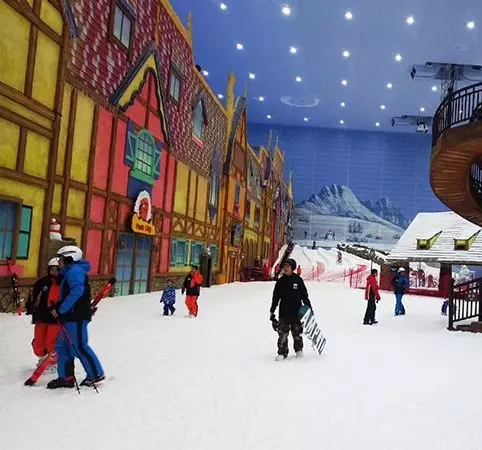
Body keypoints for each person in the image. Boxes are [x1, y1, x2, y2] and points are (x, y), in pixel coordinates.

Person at [46, 245, 104, 389]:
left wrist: (61, 309)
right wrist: (58, 306)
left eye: (61, 258)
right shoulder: (70, 272)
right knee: (62, 347)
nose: (59, 262)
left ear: (69, 258)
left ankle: (95, 374)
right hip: (69, 317)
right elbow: (69, 293)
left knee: (79, 346)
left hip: (75, 317)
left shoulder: (75, 271)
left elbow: (77, 291)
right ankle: (66, 378)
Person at [270, 258, 312, 361]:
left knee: (297, 333)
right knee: (282, 334)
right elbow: (276, 297)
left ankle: (299, 350)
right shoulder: (280, 281)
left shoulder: (298, 280)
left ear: (292, 268)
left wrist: (309, 308)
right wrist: (272, 310)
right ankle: (282, 352)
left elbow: (304, 296)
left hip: (296, 312)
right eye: (284, 266)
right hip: (284, 312)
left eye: (288, 266)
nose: (285, 268)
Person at [25, 258, 62, 370]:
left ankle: (53, 363)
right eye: (52, 269)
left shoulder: (63, 283)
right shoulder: (41, 282)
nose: (54, 272)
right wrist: (31, 306)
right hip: (41, 316)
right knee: (38, 344)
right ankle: (43, 358)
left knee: (51, 342)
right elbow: (33, 296)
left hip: (55, 318)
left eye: (56, 269)